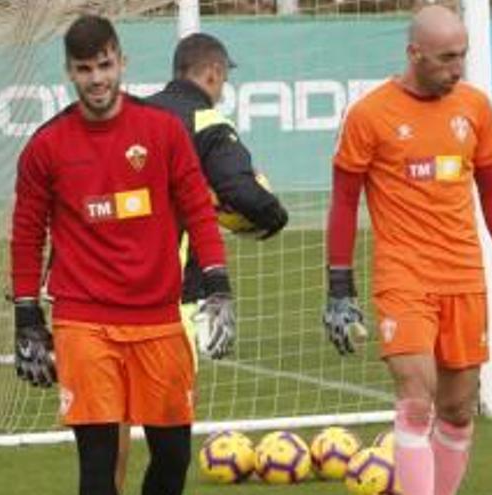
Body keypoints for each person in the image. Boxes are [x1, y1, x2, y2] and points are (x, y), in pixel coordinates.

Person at [9, 15, 236, 495]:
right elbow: (26, 235)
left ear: (122, 62)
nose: (97, 79)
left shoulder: (163, 132)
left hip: (158, 318)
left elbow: (198, 208)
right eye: (85, 69)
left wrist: (218, 285)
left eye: (105, 65)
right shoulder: (46, 147)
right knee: (98, 463)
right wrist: (27, 317)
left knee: (173, 458)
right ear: (70, 72)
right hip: (84, 322)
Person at [323, 5, 492, 495]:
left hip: (462, 274)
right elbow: (343, 200)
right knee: (416, 402)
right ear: (413, 53)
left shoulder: (475, 107)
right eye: (445, 58)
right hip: (403, 278)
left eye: (462, 55)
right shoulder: (369, 114)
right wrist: (338, 286)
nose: (457, 68)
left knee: (459, 411)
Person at [110, 32, 290, 492]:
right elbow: (244, 193)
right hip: (168, 302)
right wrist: (270, 218)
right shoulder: (206, 120)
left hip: (104, 291)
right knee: (170, 446)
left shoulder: (132, 116)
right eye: (224, 77)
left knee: (108, 427)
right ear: (212, 73)